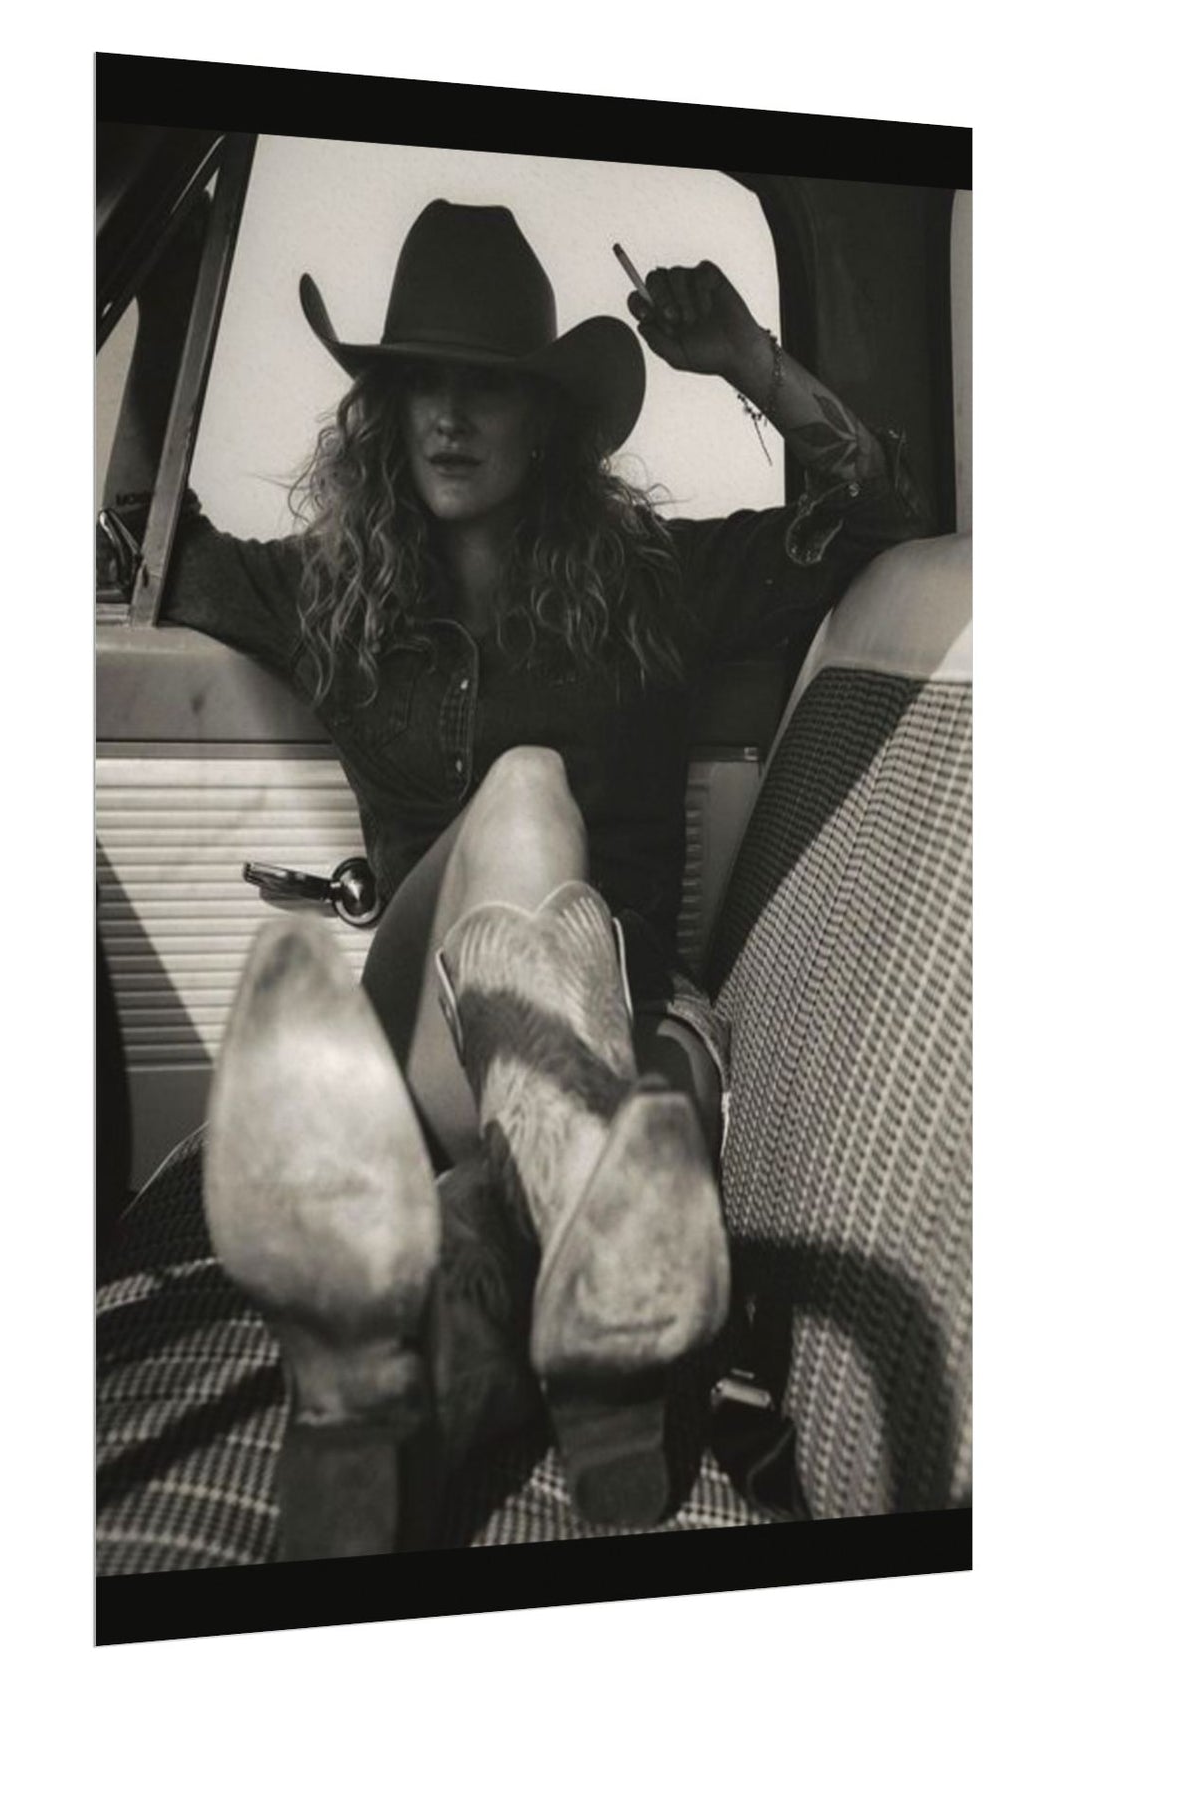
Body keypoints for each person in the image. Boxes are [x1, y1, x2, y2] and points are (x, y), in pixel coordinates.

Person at [154, 199, 926, 1558]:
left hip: (622, 1030)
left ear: (548, 419)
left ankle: (408, 1410)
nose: (450, 417)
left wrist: (749, 361)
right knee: (521, 789)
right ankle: (594, 1235)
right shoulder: (332, 592)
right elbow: (142, 541)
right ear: (385, 410)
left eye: (489, 387)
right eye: (421, 384)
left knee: (562, 1171)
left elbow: (881, 520)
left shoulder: (651, 580)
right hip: (426, 1049)